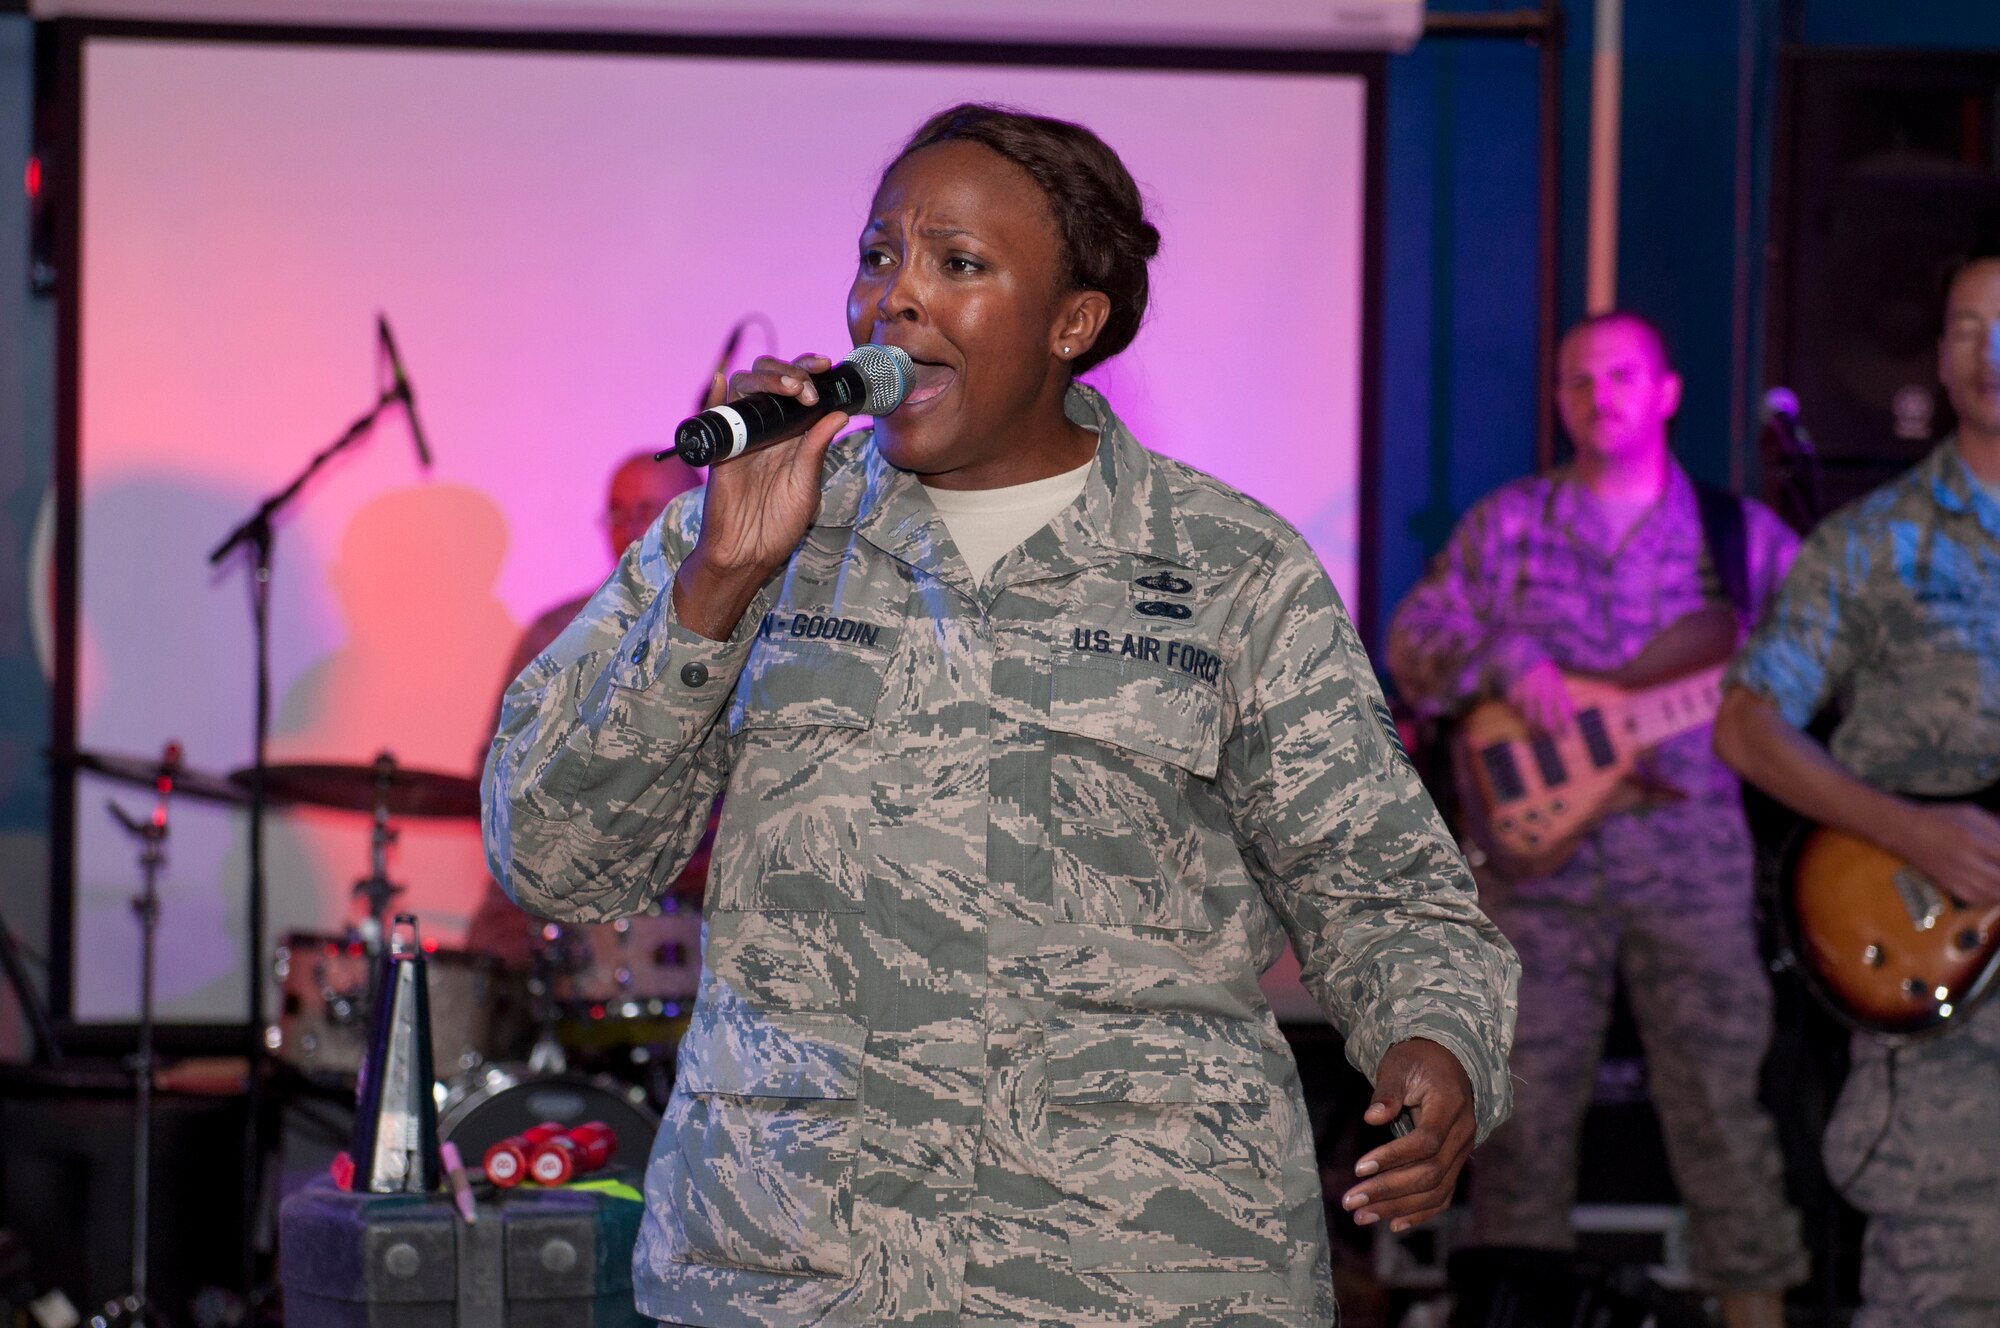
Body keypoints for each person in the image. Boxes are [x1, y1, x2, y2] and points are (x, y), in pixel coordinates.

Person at [485, 103, 1517, 1327]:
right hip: (790, 1270)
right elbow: (551, 859)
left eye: (957, 265)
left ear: (1070, 324)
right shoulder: (747, 531)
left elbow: (1385, 889)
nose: (892, 300)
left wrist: (1435, 1045)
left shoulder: (1230, 569)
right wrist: (717, 585)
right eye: (879, 255)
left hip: (1140, 1270)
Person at [1387, 311, 1807, 1328]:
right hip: (1538, 873)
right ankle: (1513, 1307)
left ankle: (1752, 1302)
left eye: (1618, 375)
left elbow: (1820, 653)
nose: (1596, 394)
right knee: (1518, 1118)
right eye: (1575, 379)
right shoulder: (1508, 525)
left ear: (1662, 392)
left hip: (1692, 862)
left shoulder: (1740, 538)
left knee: (1719, 1107)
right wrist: (1505, 660)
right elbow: (1412, 641)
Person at [1714, 248, 2000, 1328]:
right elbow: (1744, 725)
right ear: (1937, 355)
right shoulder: (1872, 542)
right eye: (1969, 326)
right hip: (1939, 997)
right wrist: (1908, 829)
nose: (1992, 352)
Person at [465, 448, 703, 962]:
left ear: (700, 512)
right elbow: (499, 774)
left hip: (689, 900)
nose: (628, 528)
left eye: (646, 511)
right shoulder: (557, 634)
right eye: (617, 512)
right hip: (557, 895)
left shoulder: (752, 630)